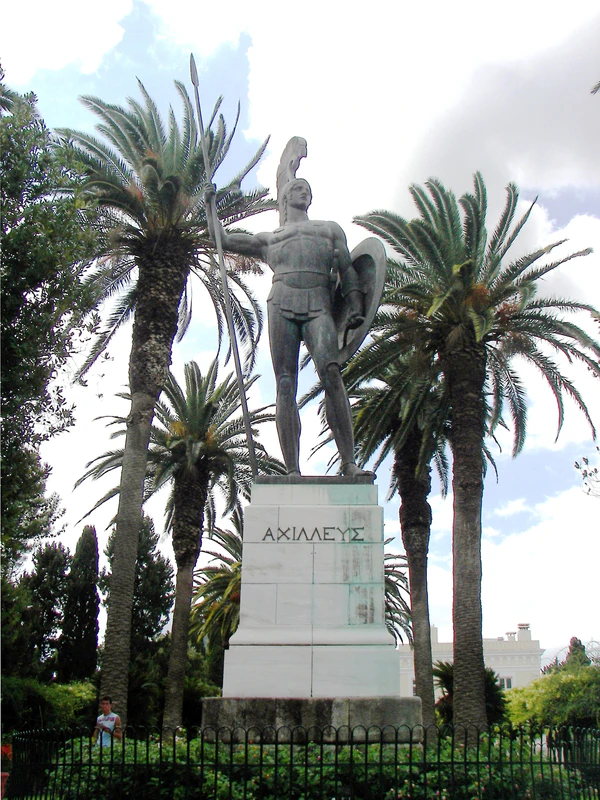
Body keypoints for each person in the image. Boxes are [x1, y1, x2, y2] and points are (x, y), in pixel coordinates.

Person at [205, 144, 371, 478]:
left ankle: (349, 463)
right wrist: (210, 206)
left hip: (319, 304)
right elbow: (220, 238)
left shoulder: (329, 229)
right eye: (297, 188)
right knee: (284, 384)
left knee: (332, 374)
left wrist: (355, 305)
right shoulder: (270, 239)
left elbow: (348, 271)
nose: (303, 192)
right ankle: (292, 469)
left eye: (307, 189)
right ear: (284, 198)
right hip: (281, 302)